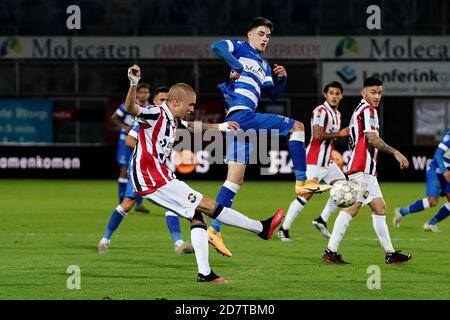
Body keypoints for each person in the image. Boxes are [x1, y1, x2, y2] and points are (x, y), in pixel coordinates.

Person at [124, 64, 284, 283]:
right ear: (176, 101)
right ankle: (260, 228)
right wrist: (133, 83)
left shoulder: (174, 119)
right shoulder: (155, 112)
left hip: (159, 176)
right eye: (190, 104)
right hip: (150, 176)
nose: (192, 108)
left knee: (197, 217)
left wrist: (221, 126)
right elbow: (132, 109)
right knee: (208, 205)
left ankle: (205, 273)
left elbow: (190, 126)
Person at [207, 17, 327, 256]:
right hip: (242, 116)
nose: (265, 39)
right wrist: (236, 65)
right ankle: (302, 182)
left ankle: (214, 231)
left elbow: (272, 95)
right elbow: (217, 46)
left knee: (234, 180)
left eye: (268, 36)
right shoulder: (240, 47)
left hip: (236, 123)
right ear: (250, 34)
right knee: (298, 127)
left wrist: (282, 79)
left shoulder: (263, 64)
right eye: (261, 33)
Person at [321, 77, 412, 264]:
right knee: (353, 207)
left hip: (366, 168)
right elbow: (371, 138)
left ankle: (390, 254)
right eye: (373, 92)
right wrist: (396, 153)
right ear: (364, 93)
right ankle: (330, 251)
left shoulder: (359, 109)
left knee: (380, 208)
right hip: (362, 167)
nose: (377, 96)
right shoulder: (369, 110)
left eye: (379, 92)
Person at [277, 81, 349, 241]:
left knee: (343, 187)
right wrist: (340, 133)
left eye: (337, 93)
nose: (334, 96)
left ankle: (321, 220)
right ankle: (284, 229)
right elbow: (317, 135)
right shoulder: (320, 111)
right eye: (331, 93)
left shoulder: (337, 114)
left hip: (327, 162)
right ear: (325, 95)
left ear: (341, 96)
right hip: (313, 161)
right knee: (305, 194)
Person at [393, 130, 450, 232]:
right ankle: (402, 212)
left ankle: (430, 224)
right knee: (432, 201)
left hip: (448, 173)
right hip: (436, 170)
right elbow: (438, 154)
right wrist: (444, 170)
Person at [111, 83, 150, 213]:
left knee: (139, 170)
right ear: (137, 94)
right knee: (123, 170)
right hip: (124, 141)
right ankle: (121, 202)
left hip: (139, 141)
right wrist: (124, 127)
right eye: (142, 92)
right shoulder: (128, 105)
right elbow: (114, 118)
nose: (144, 94)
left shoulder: (150, 107)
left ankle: (138, 204)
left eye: (146, 92)